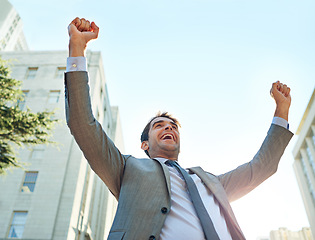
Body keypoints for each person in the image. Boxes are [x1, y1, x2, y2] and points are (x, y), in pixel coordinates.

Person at [65, 17, 293, 240]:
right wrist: (77, 48)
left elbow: (262, 167)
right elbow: (82, 123)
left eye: (173, 126)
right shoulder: (126, 168)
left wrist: (281, 110)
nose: (169, 128)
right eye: (159, 126)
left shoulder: (211, 182)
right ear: (144, 144)